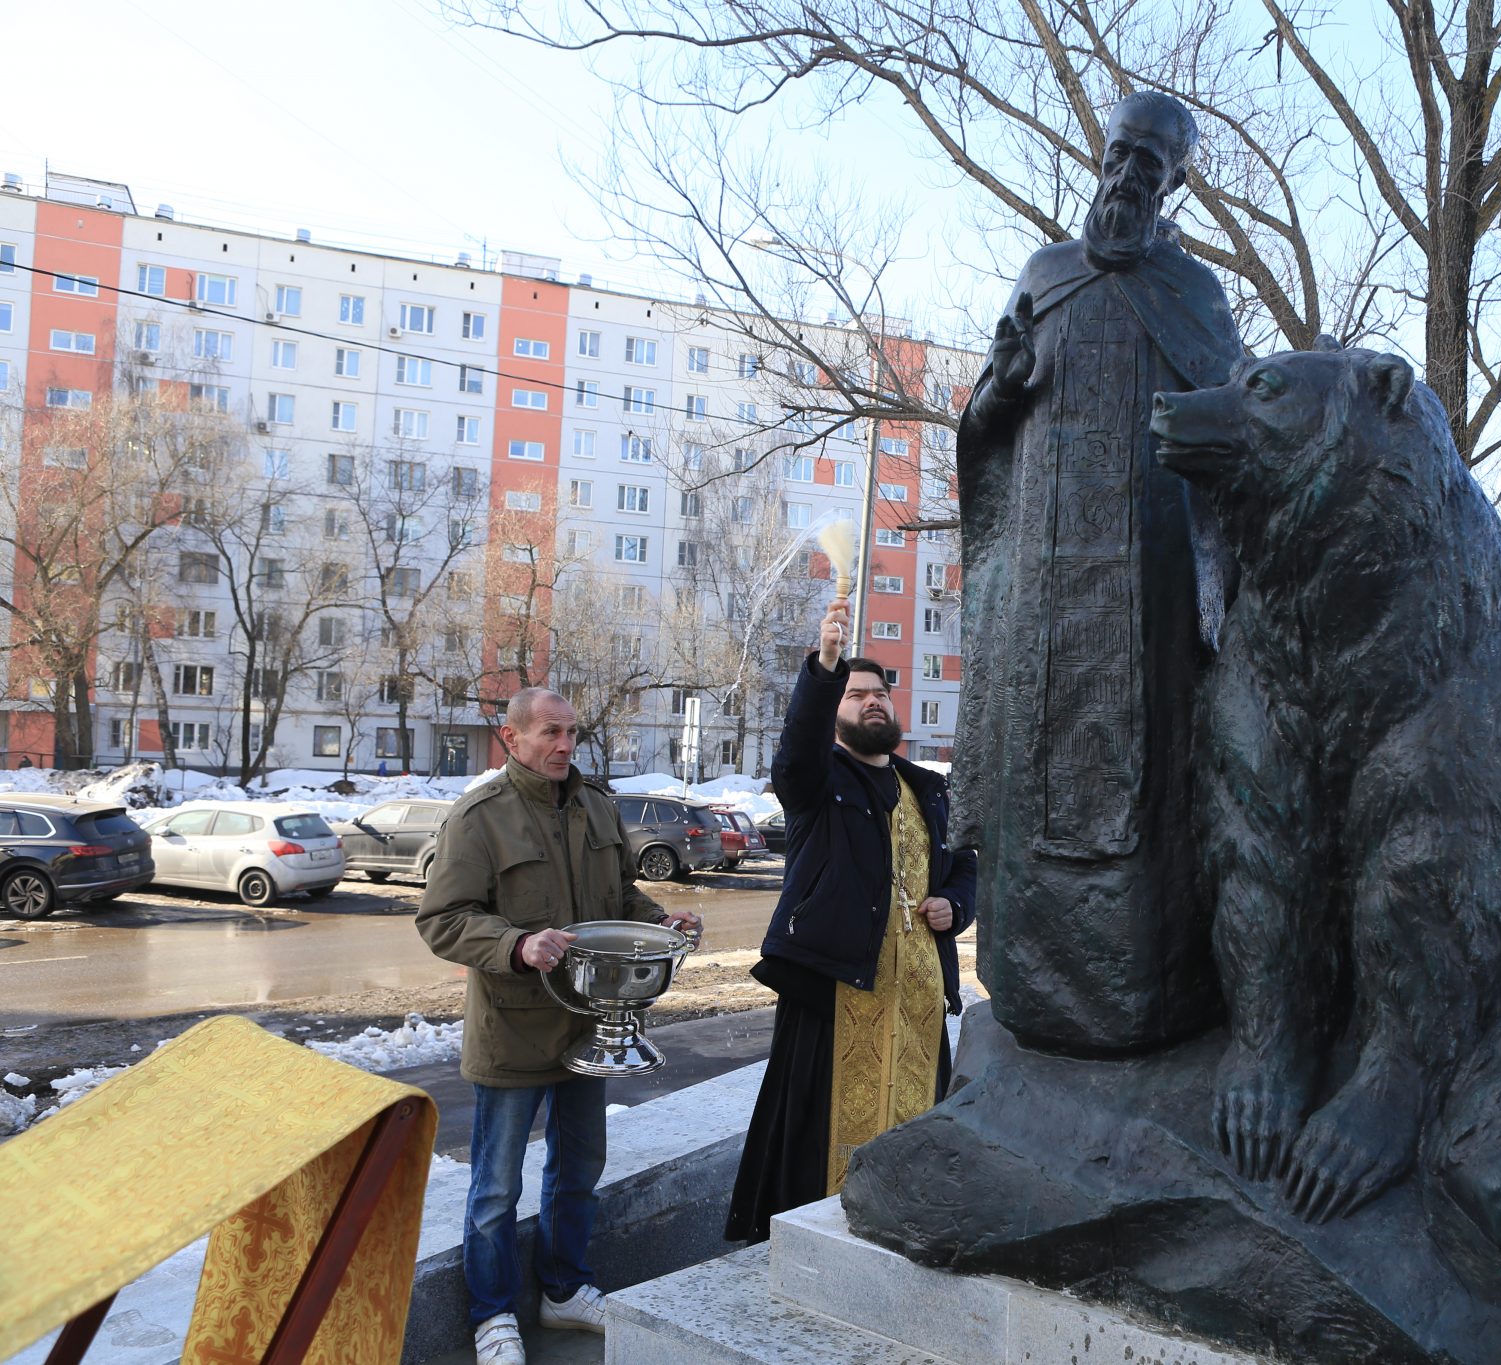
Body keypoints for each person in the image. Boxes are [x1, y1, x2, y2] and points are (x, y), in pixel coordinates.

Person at [952, 91, 1244, 1055]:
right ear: (1101, 155)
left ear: (1175, 182)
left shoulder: (1194, 294)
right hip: (1045, 598)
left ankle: (1155, 994)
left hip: (1153, 596)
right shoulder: (1043, 278)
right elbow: (986, 438)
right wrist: (994, 389)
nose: (1128, 177)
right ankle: (1037, 992)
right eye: (1120, 155)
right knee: (1038, 781)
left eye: (1150, 165)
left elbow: (1233, 429)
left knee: (1152, 785)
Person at [416, 687, 701, 1365]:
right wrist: (515, 943)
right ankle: (492, 1315)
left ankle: (564, 1287)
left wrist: (659, 920)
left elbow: (621, 896)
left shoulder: (597, 804)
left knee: (579, 1168)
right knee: (496, 1186)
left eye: (572, 731)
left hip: (593, 1027)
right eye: (549, 732)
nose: (565, 744)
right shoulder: (479, 817)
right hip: (513, 1030)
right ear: (512, 738)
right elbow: (442, 918)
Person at [723, 595, 977, 1244]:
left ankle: (910, 1228)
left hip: (916, 998)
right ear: (835, 712)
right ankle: (818, 1248)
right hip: (837, 992)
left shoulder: (928, 790)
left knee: (920, 1122)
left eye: (881, 693)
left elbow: (963, 869)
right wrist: (825, 666)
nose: (872, 701)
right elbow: (794, 752)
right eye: (855, 693)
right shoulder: (817, 784)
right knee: (820, 1135)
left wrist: (956, 904)